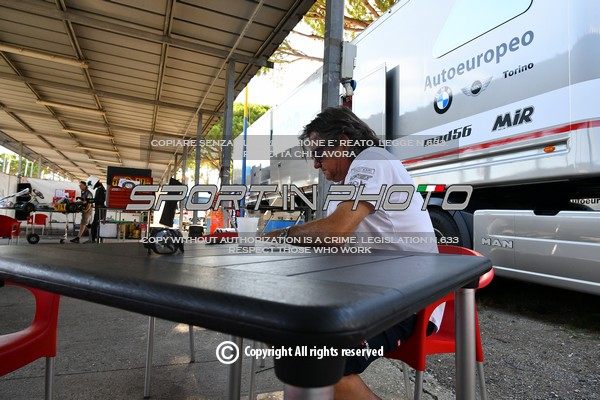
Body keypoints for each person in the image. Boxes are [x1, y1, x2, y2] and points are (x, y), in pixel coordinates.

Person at [265, 106, 442, 400]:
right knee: (277, 327)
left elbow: (335, 232)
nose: (316, 164)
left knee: (312, 360)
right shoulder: (348, 184)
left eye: (319, 153)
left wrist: (280, 236)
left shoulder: (372, 160)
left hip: (408, 303)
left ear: (344, 142)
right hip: (373, 295)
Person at [87, 176, 106, 243]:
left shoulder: (99, 190)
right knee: (97, 223)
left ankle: (93, 239)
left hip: (99, 209)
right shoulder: (102, 189)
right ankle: (94, 239)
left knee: (95, 224)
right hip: (101, 208)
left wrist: (88, 200)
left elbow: (96, 200)